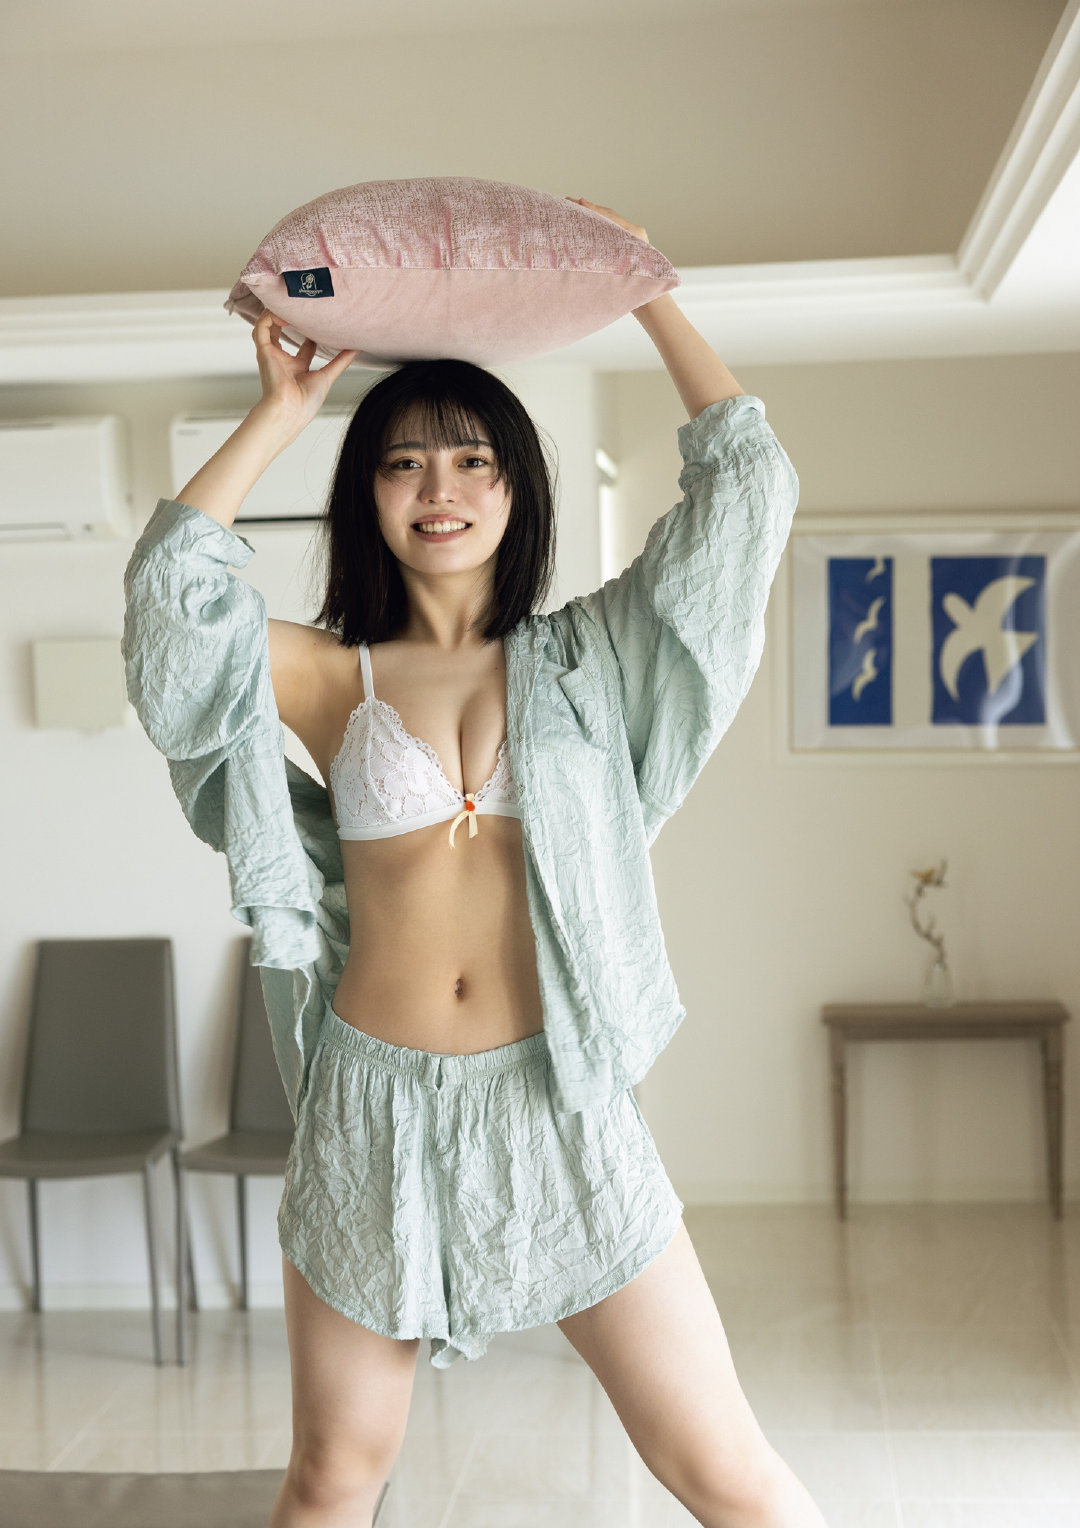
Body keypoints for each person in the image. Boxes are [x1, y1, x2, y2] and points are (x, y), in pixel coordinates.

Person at [123, 199, 824, 1528]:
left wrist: (641, 289)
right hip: (369, 1111)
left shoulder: (593, 656)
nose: (437, 489)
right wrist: (280, 410)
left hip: (559, 1104)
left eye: (471, 461)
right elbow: (171, 608)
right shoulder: (328, 674)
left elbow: (746, 496)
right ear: (367, 495)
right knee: (331, 1478)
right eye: (402, 464)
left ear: (517, 487)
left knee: (720, 1469)